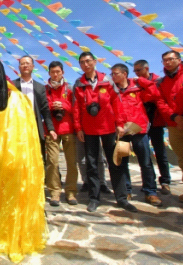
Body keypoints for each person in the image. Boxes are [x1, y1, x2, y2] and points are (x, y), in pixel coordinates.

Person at [73, 52, 135, 213]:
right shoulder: (79, 84)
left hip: (108, 127)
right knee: (92, 165)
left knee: (116, 162)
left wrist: (120, 124)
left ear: (95, 61)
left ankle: (121, 198)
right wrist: (78, 128)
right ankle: (94, 198)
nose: (86, 64)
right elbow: (77, 108)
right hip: (89, 129)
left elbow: (117, 103)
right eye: (82, 62)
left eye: (88, 61)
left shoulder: (107, 81)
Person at [111, 64, 162, 207]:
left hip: (139, 129)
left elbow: (155, 93)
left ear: (124, 74)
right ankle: (126, 190)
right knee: (123, 162)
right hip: (122, 131)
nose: (113, 76)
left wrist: (141, 80)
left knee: (145, 162)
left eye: (116, 74)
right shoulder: (113, 91)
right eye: (112, 74)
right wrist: (118, 125)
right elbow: (111, 109)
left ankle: (150, 192)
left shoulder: (138, 88)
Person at [133, 60, 172, 195]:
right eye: (135, 71)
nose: (136, 73)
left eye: (139, 70)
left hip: (156, 121)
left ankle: (165, 181)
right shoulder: (136, 84)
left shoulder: (158, 81)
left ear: (146, 69)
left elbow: (155, 94)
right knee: (144, 155)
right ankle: (149, 182)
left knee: (160, 153)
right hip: (142, 122)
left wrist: (143, 83)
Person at [44, 61, 78, 206]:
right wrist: (52, 106)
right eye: (53, 72)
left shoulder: (70, 88)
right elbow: (42, 108)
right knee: (52, 162)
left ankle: (71, 192)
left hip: (69, 129)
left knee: (71, 163)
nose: (55, 74)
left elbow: (76, 108)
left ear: (62, 72)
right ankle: (55, 192)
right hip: (51, 130)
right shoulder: (45, 89)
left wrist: (64, 105)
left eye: (58, 71)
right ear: (49, 73)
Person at [13, 56, 57, 164]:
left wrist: (51, 128)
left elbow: (45, 109)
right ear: (19, 67)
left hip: (35, 125)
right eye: (22, 63)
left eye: (28, 63)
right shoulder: (12, 85)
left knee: (37, 156)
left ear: (33, 66)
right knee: (18, 155)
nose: (25, 65)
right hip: (17, 125)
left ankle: (39, 179)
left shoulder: (40, 87)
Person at [155, 51, 183, 203]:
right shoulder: (162, 82)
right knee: (182, 158)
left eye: (170, 59)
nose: (167, 62)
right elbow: (161, 102)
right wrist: (175, 117)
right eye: (164, 60)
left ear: (179, 60)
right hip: (173, 124)